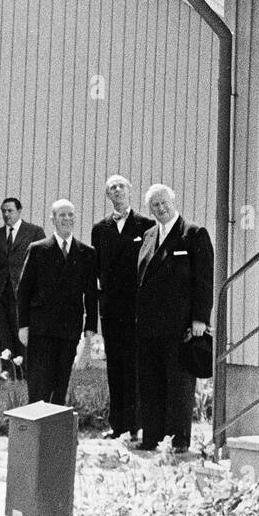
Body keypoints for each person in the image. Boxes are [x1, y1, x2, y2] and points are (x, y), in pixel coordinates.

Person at [135, 183, 213, 453]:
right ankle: (152, 437)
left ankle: (178, 440)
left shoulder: (193, 234)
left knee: (179, 385)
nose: (160, 207)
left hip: (180, 326)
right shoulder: (147, 235)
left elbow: (203, 280)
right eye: (154, 204)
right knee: (151, 383)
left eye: (163, 202)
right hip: (148, 326)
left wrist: (200, 319)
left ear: (173, 200)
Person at [16, 200, 98, 405]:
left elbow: (91, 293)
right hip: (41, 328)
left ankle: (55, 431)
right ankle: (36, 429)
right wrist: (23, 326)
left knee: (60, 383)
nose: (67, 219)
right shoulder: (38, 249)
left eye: (70, 215)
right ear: (53, 219)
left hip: (69, 328)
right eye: (62, 215)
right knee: (38, 383)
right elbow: (23, 290)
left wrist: (90, 328)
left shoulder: (86, 253)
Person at [91, 175, 153, 439]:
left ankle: (138, 425)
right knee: (115, 365)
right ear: (108, 195)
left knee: (136, 365)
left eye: (121, 186)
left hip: (137, 307)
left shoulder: (147, 226)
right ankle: (118, 424)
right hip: (112, 308)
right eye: (112, 188)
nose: (117, 191)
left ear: (129, 191)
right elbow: (97, 268)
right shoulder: (100, 228)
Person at [0, 198, 45, 380]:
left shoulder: (34, 232)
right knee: (4, 331)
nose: (6, 215)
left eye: (10, 211)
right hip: (2, 290)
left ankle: (26, 370)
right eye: (3, 211)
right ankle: (7, 369)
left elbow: (40, 261)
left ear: (19, 211)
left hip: (23, 290)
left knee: (22, 329)